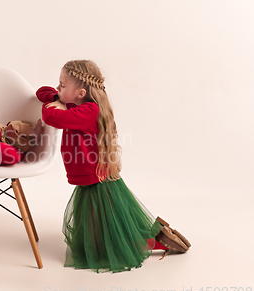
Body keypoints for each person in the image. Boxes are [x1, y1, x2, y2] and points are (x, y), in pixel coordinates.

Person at [36, 60, 190, 273]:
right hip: (89, 173)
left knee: (104, 228)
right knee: (102, 224)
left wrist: (57, 105)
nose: (58, 88)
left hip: (93, 175)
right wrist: (57, 97)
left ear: (81, 92)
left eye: (62, 85)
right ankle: (153, 235)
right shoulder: (76, 104)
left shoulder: (88, 111)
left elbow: (52, 117)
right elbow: (42, 91)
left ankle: (155, 242)